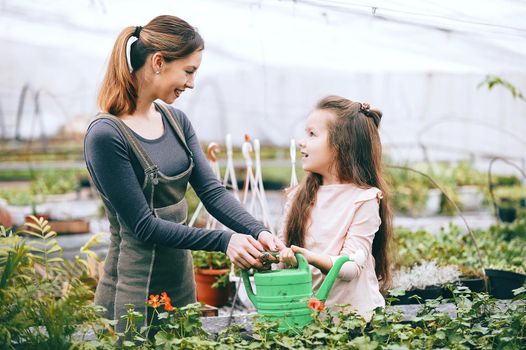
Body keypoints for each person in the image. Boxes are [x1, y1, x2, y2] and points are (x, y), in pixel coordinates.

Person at [83, 15, 284, 331]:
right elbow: (143, 226)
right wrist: (224, 240)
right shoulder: (107, 135)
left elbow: (212, 192)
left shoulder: (177, 121)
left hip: (179, 281)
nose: (192, 83)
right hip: (133, 288)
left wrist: (259, 231)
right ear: (159, 62)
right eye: (189, 71)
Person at [278, 95, 393, 321]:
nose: (302, 142)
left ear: (342, 144)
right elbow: (282, 256)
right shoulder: (297, 197)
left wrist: (308, 257)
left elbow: (351, 267)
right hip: (304, 320)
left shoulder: (364, 200)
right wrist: (268, 255)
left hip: (354, 323)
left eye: (312, 134)